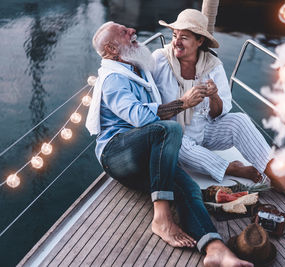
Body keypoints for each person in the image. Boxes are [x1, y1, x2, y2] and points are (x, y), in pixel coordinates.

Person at [85, 21, 253, 267]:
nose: (132, 30)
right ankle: (161, 217)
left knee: (189, 189)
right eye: (124, 32)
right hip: (117, 153)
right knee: (169, 130)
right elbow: (140, 117)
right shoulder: (113, 79)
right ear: (111, 49)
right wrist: (182, 103)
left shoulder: (136, 68)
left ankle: (215, 249)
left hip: (145, 151)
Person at [152, 9, 285, 206]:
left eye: (184, 37)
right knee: (176, 142)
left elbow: (220, 113)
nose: (176, 42)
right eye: (174, 35)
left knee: (239, 120)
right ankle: (231, 168)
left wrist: (214, 96)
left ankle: (279, 178)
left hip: (204, 129)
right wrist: (184, 102)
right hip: (176, 133)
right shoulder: (159, 60)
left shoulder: (212, 65)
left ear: (200, 41)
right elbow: (149, 108)